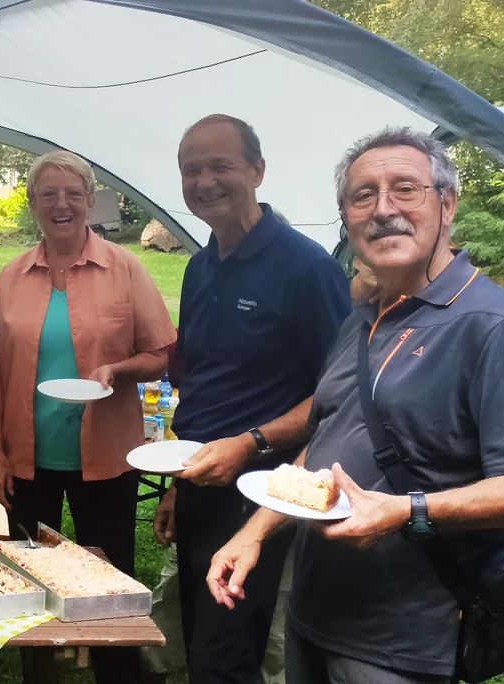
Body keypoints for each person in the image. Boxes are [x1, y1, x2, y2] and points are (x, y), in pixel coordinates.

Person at [209, 127, 504, 683]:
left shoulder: (489, 326)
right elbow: (326, 445)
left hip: (407, 643)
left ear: (447, 203)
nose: (382, 209)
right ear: (345, 217)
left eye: (405, 189)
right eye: (362, 195)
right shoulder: (365, 317)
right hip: (315, 614)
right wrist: (252, 533)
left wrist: (406, 511)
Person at [155, 114, 351, 684]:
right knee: (199, 637)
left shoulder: (306, 267)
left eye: (221, 166)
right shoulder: (199, 266)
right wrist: (176, 483)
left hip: (261, 490)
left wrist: (250, 443)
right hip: (200, 481)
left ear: (258, 171)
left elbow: (338, 394)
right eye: (192, 170)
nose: (204, 181)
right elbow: (201, 383)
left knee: (227, 655)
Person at [0, 150, 177, 684]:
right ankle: (40, 674)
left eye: (73, 194)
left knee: (109, 585)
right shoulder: (13, 274)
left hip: (108, 459)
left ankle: (117, 675)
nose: (61, 204)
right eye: (49, 194)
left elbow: (161, 353)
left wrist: (118, 367)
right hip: (28, 457)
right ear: (33, 204)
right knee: (30, 579)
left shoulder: (124, 267)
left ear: (91, 201)